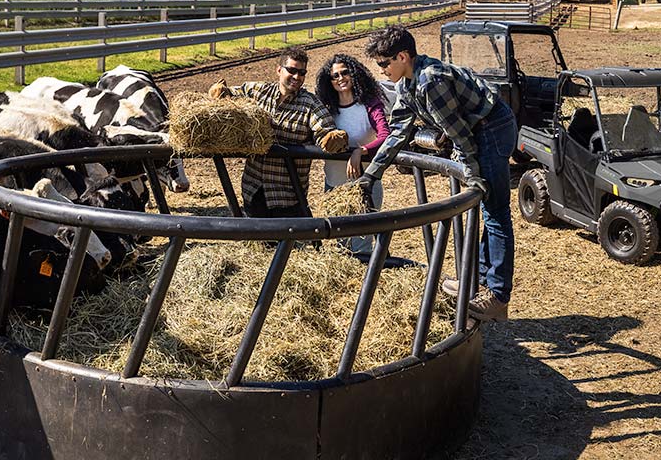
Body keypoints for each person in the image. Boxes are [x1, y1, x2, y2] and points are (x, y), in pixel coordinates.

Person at [355, 25, 516, 322]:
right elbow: (398, 132)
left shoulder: (430, 81)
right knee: (486, 208)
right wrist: (372, 173)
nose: (381, 70)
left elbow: (459, 133)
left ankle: (497, 295)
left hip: (492, 127)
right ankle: (478, 283)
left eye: (384, 63)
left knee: (495, 211)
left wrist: (472, 170)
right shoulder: (406, 85)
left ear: (403, 57)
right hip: (475, 128)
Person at [211, 47, 342, 219]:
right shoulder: (258, 91)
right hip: (254, 188)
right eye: (292, 70)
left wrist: (330, 137)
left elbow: (323, 129)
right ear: (279, 70)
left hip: (287, 195)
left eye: (302, 73)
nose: (297, 77)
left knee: (289, 236)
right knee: (255, 233)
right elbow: (233, 95)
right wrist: (222, 92)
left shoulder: (310, 104)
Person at [315, 53, 391, 256]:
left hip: (364, 186)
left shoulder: (369, 104)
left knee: (361, 247)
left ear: (354, 74)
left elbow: (385, 135)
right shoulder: (326, 109)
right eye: (335, 76)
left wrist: (362, 150)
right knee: (340, 245)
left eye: (345, 73)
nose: (340, 78)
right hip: (334, 185)